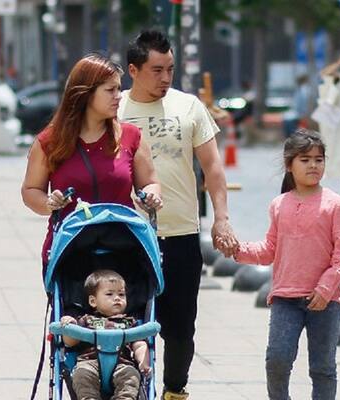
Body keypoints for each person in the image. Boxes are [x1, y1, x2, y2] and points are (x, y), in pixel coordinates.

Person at [117, 30, 238, 400]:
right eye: (157, 70)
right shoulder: (114, 109)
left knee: (181, 328)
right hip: (127, 235)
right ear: (133, 70)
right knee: (126, 322)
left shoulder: (189, 107)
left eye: (170, 69)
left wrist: (221, 218)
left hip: (180, 233)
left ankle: (174, 389)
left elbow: (213, 168)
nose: (166, 78)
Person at [233, 129, 340, 400]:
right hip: (285, 299)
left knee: (322, 368)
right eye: (305, 159)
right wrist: (237, 250)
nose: (313, 165)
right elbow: (269, 250)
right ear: (289, 165)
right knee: (277, 360)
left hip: (326, 302)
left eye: (319, 159)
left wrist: (325, 289)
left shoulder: (338, 206)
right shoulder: (279, 204)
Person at [21, 54, 162, 271]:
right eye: (110, 90)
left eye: (119, 89)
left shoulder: (131, 136)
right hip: (69, 252)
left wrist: (151, 195)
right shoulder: (49, 141)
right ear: (85, 93)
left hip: (123, 250)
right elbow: (30, 190)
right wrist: (49, 202)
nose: (119, 96)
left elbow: (150, 182)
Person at [60, 269, 150, 400]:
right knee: (81, 375)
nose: (117, 298)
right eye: (109, 294)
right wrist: (70, 327)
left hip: (122, 363)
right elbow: (70, 343)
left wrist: (143, 361)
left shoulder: (130, 322)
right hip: (89, 362)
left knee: (132, 376)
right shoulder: (86, 320)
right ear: (93, 301)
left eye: (121, 294)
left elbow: (140, 344)